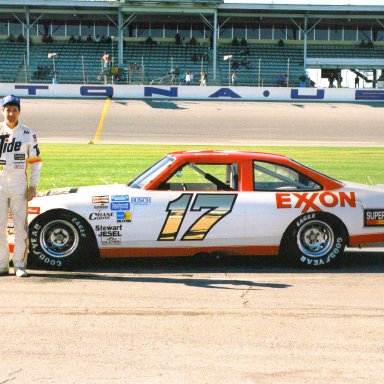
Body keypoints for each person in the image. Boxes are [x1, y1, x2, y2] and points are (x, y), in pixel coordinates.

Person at [0, 95, 42, 277]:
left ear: (19, 112)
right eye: (7, 109)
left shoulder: (28, 133)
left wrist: (32, 186)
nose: (11, 113)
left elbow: (36, 162)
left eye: (14, 110)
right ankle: (2, 264)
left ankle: (19, 265)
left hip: (19, 187)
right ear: (2, 111)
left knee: (20, 227)